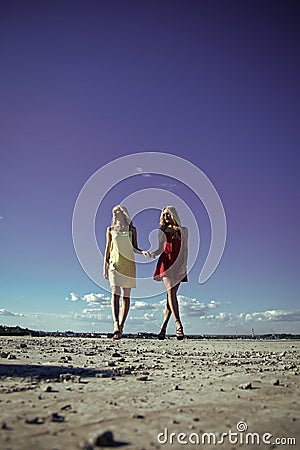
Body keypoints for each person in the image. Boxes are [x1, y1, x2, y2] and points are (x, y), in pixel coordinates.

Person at [103, 205, 147, 340]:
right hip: (114, 265)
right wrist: (104, 267)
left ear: (123, 214)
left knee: (125, 297)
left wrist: (143, 252)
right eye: (113, 212)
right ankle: (115, 324)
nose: (114, 214)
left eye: (117, 212)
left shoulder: (132, 229)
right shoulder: (110, 230)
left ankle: (121, 326)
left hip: (128, 266)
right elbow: (108, 249)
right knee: (115, 293)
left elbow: (135, 248)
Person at [150, 206, 188, 340]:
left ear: (173, 215)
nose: (166, 217)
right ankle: (179, 325)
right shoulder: (162, 230)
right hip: (165, 263)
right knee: (171, 291)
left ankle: (163, 328)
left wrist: (184, 265)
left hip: (178, 264)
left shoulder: (183, 230)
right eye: (164, 215)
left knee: (170, 298)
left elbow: (185, 249)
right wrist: (153, 253)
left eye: (168, 214)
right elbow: (160, 249)